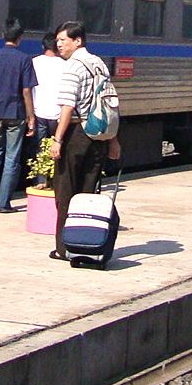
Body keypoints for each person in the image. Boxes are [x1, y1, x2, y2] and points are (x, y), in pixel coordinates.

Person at [49, 22, 119, 258]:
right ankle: (86, 244)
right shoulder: (99, 63)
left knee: (66, 191)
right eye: (57, 41)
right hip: (98, 135)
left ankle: (64, 247)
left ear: (77, 41)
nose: (58, 45)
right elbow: (108, 103)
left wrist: (58, 139)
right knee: (88, 192)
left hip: (76, 133)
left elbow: (68, 107)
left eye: (63, 40)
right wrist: (113, 140)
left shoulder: (73, 67)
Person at [0, 23, 37, 212]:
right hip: (15, 114)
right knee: (12, 157)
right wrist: (31, 117)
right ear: (20, 38)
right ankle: (3, 203)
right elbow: (26, 90)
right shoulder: (24, 59)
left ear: (3, 36)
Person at [31, 28, 67, 149]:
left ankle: (40, 166)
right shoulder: (65, 65)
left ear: (43, 46)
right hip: (57, 114)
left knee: (39, 148)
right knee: (55, 147)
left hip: (38, 112)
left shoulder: (34, 62)